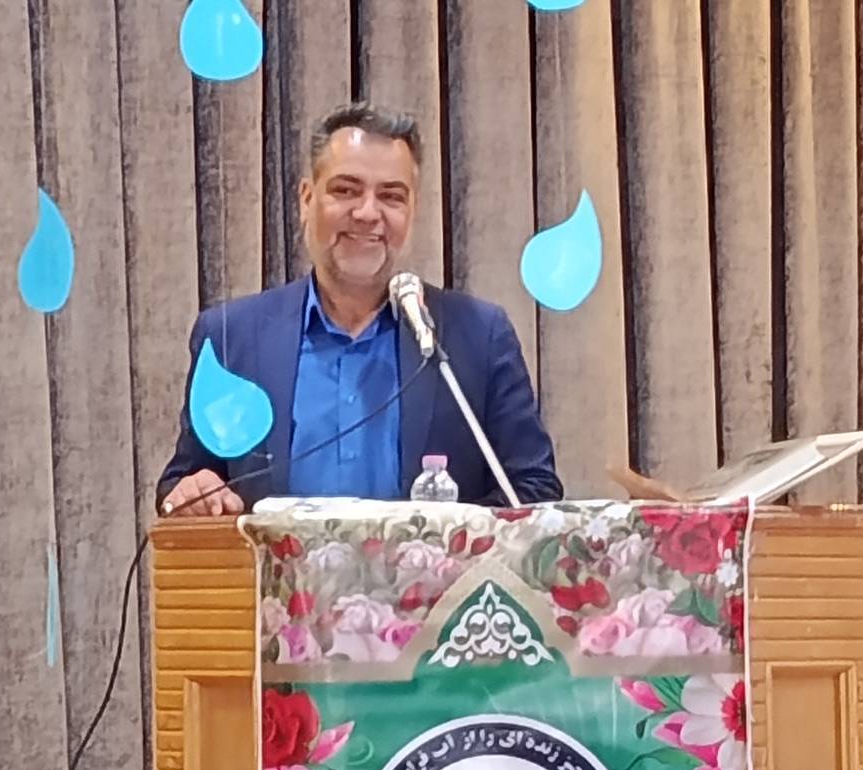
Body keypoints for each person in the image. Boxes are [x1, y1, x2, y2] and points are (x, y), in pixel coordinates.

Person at [156, 101, 563, 516]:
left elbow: (533, 490)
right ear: (306, 200)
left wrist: (449, 539)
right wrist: (192, 494)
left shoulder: (478, 335)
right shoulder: (233, 338)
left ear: (412, 212)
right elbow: (186, 485)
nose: (368, 213)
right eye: (346, 190)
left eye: (391, 196)